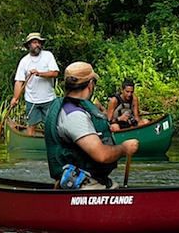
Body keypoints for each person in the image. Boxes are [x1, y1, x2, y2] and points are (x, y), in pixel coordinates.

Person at [45, 62, 139, 190]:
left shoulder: (69, 108)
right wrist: (124, 148)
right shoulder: (74, 114)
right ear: (90, 84)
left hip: (89, 179)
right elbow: (101, 155)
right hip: (84, 184)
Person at [10, 32, 60, 136]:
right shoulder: (24, 61)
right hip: (32, 100)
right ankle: (30, 146)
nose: (37, 45)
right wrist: (15, 98)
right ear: (29, 45)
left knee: (52, 125)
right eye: (34, 42)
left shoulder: (48, 56)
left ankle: (51, 145)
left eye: (39, 42)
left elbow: (55, 73)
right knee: (32, 125)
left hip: (49, 99)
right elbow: (19, 81)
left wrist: (39, 73)